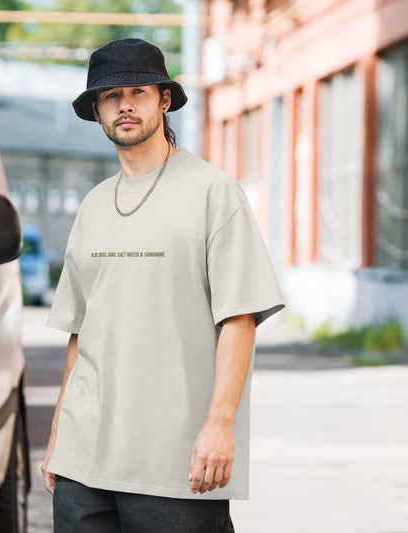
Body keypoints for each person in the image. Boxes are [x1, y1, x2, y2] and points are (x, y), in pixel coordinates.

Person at [41, 38, 284, 532]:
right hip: (83, 463)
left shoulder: (214, 191)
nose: (124, 104)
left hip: (176, 467)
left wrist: (220, 425)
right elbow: (80, 334)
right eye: (110, 96)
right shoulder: (91, 206)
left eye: (137, 91)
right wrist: (58, 435)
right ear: (97, 110)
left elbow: (239, 318)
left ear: (164, 100)